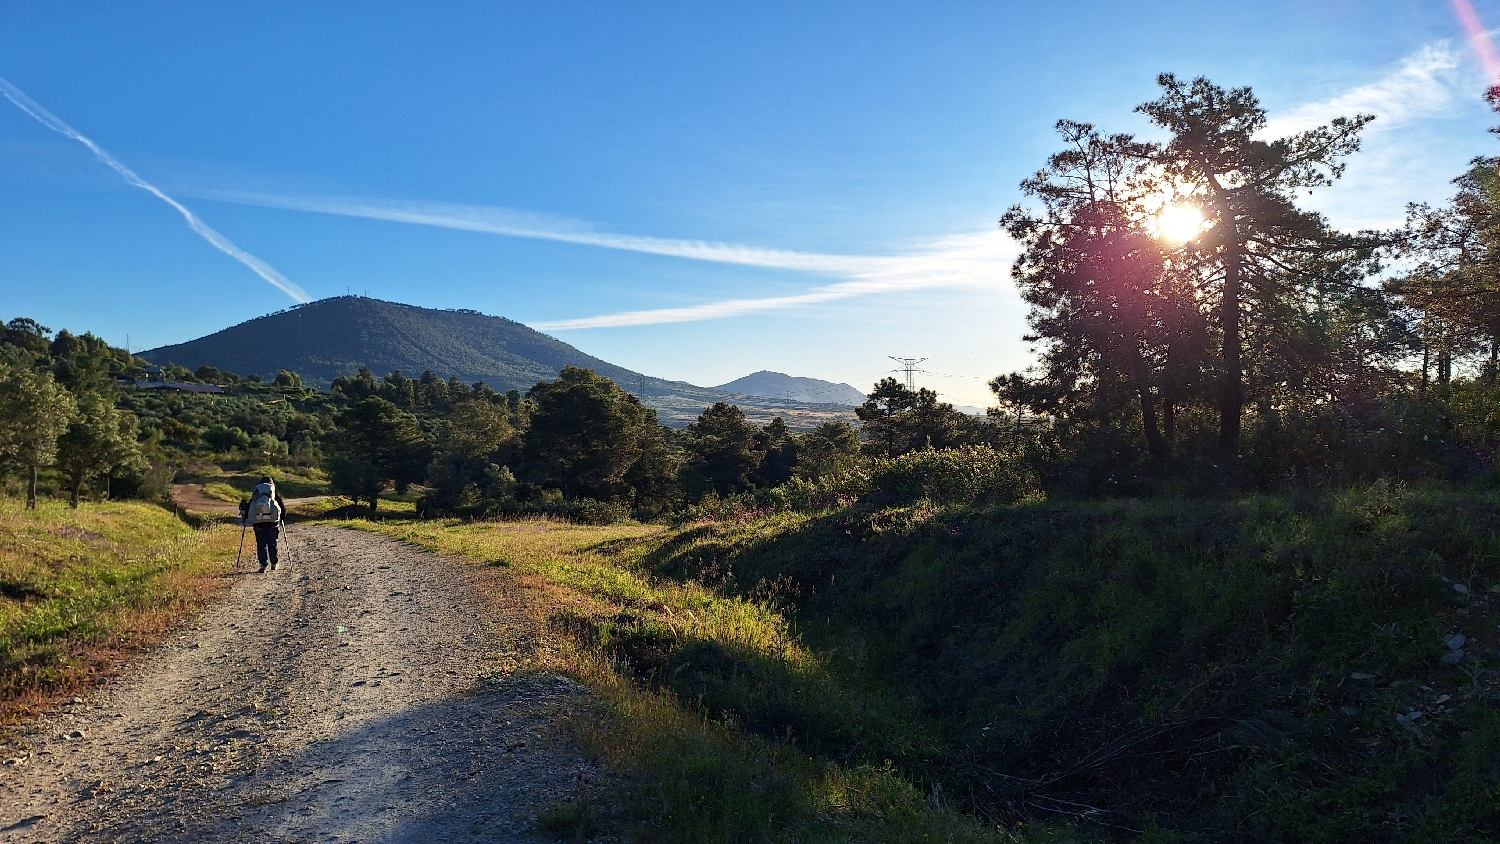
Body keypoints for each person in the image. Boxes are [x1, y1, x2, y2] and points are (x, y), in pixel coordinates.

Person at [240, 476, 288, 573]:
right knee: (272, 543)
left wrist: (245, 516)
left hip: (258, 523)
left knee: (261, 545)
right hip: (272, 523)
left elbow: (249, 508)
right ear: (272, 484)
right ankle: (274, 564)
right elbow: (282, 508)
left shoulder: (256, 494)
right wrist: (281, 518)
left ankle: (263, 565)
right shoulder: (274, 494)